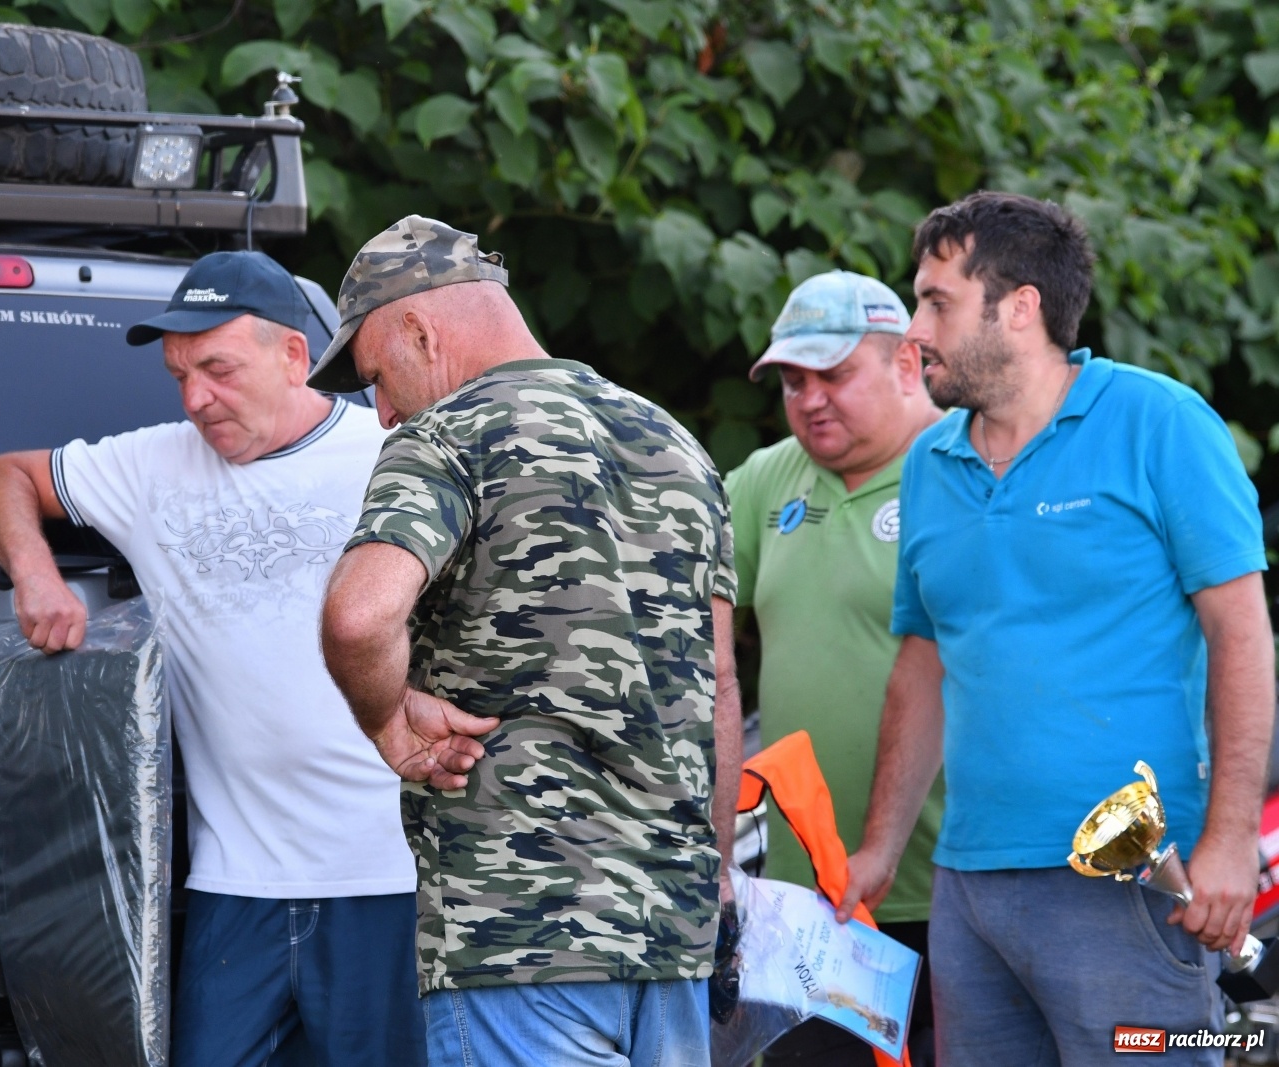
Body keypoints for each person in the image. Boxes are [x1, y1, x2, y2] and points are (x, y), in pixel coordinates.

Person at [838, 191, 1274, 1064]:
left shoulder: (1161, 422)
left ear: (1021, 307)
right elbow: (923, 663)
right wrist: (879, 848)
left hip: (1133, 881)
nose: (915, 330)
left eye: (936, 301)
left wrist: (1229, 841)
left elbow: (1242, 634)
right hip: (969, 888)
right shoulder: (930, 460)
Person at [0, 251, 424, 1067]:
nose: (195, 399)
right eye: (179, 375)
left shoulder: (395, 456)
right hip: (234, 885)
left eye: (216, 369)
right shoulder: (155, 465)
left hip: (385, 877)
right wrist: (36, 577)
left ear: (293, 356)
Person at [309, 215, 741, 1067]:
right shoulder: (678, 446)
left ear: (419, 328)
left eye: (376, 379)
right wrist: (714, 881)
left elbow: (358, 616)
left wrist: (390, 723)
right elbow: (720, 683)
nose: (384, 412)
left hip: (519, 933)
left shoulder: (447, 437)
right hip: (672, 935)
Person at [725, 269, 943, 1065]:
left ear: (908, 364)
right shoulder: (765, 481)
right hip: (811, 900)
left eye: (836, 374)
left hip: (951, 887)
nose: (811, 398)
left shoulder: (963, 469)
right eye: (793, 380)